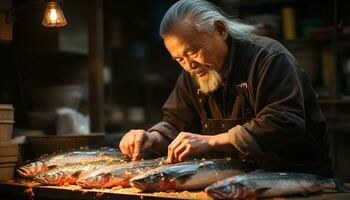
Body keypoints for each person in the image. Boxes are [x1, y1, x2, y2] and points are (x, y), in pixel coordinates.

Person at [119, 0, 332, 177]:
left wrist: (212, 142)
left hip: (297, 179)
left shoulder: (268, 58)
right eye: (179, 59)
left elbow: (285, 121)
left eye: (194, 51)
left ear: (220, 30)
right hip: (237, 182)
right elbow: (176, 124)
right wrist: (151, 138)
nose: (189, 65)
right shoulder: (192, 74)